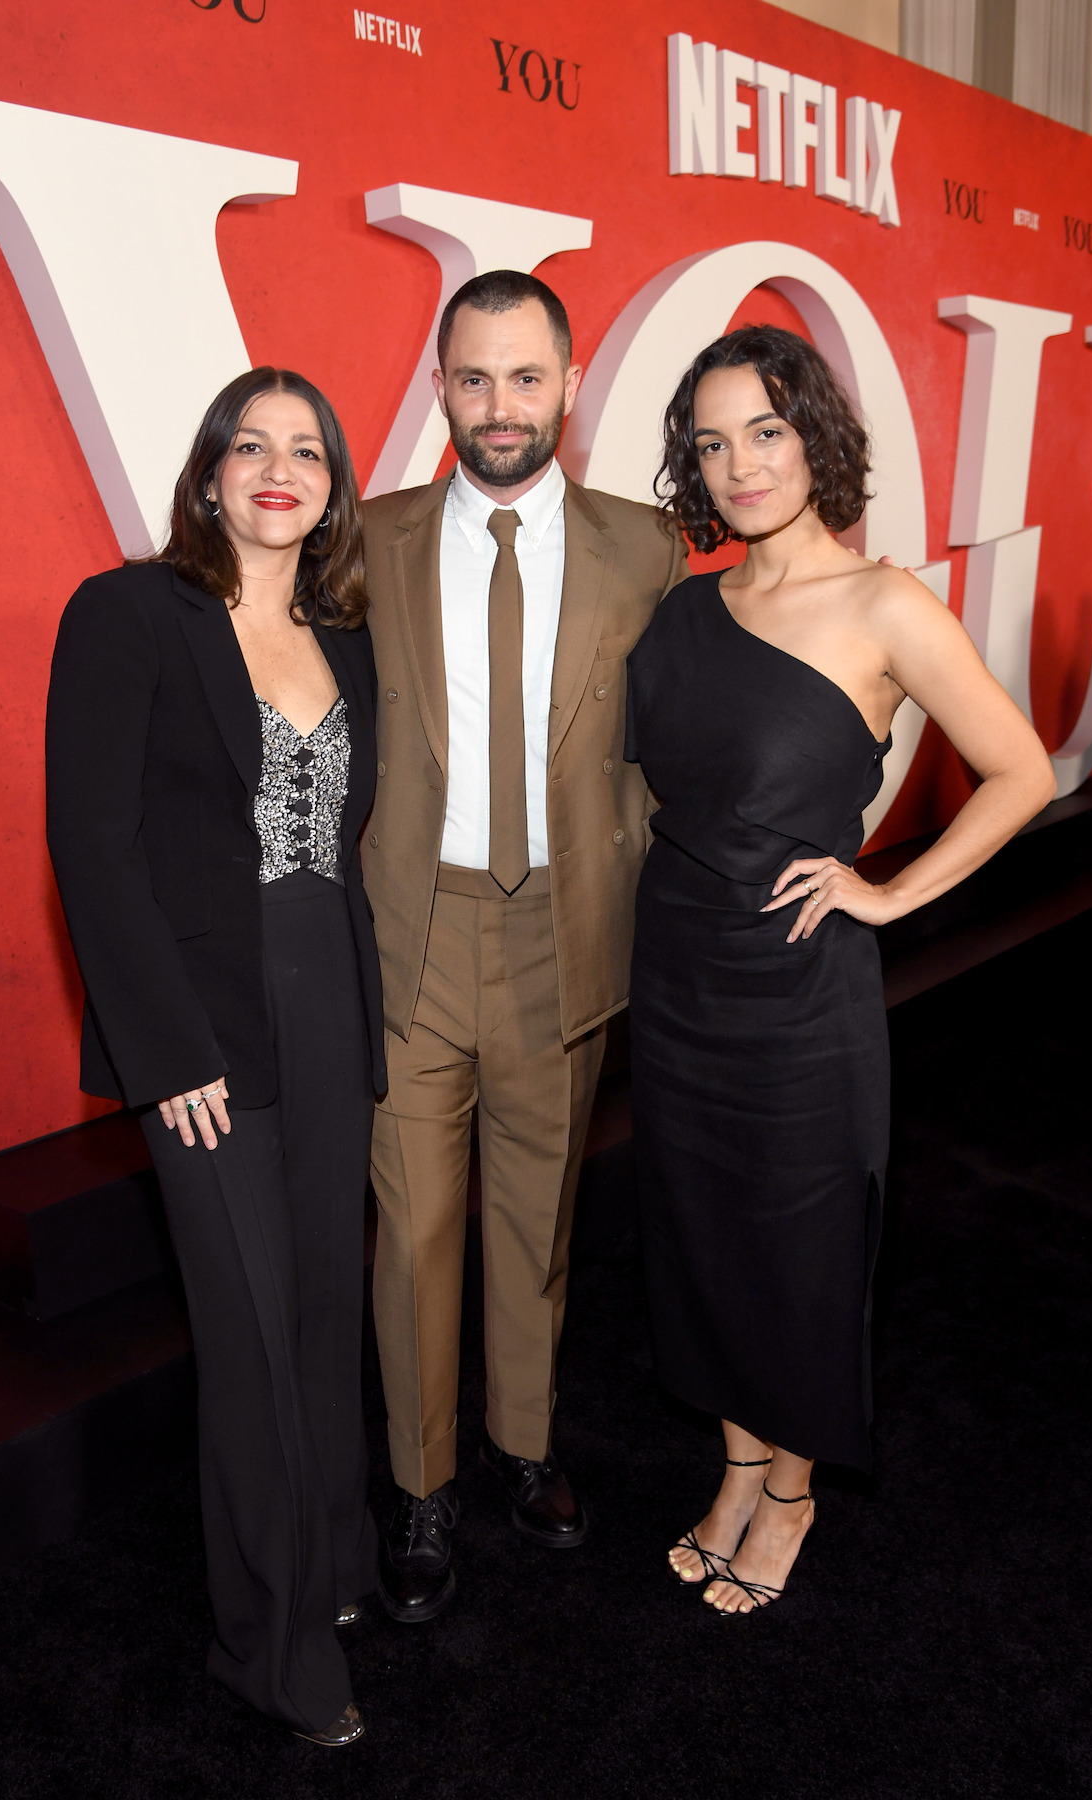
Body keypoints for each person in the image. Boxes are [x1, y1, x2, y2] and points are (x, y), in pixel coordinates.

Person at [627, 325, 1055, 1615]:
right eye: (713, 440)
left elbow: (1023, 769)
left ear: (818, 433)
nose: (743, 463)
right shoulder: (688, 607)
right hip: (677, 973)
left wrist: (887, 891)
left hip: (799, 992)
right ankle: (738, 1462)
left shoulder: (884, 604)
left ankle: (794, 1494)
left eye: (767, 429)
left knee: (794, 1241)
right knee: (698, 1231)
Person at [45, 368, 385, 1743]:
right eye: (251, 445)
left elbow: (346, 854)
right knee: (246, 1338)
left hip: (328, 1010)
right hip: (204, 1031)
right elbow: (93, 846)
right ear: (208, 474)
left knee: (320, 1313)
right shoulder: (128, 612)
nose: (278, 468)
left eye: (306, 450)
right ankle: (273, 1648)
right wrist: (165, 1050)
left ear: (331, 488)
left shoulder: (342, 633)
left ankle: (335, 1566)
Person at [360, 271, 688, 1621]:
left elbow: (686, 736)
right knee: (415, 1226)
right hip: (410, 930)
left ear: (569, 389)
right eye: (474, 377)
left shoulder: (650, 548)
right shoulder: (359, 541)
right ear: (441, 386)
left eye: (527, 377)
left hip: (568, 932)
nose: (501, 407)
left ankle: (525, 1443)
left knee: (534, 1219)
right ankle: (423, 1481)